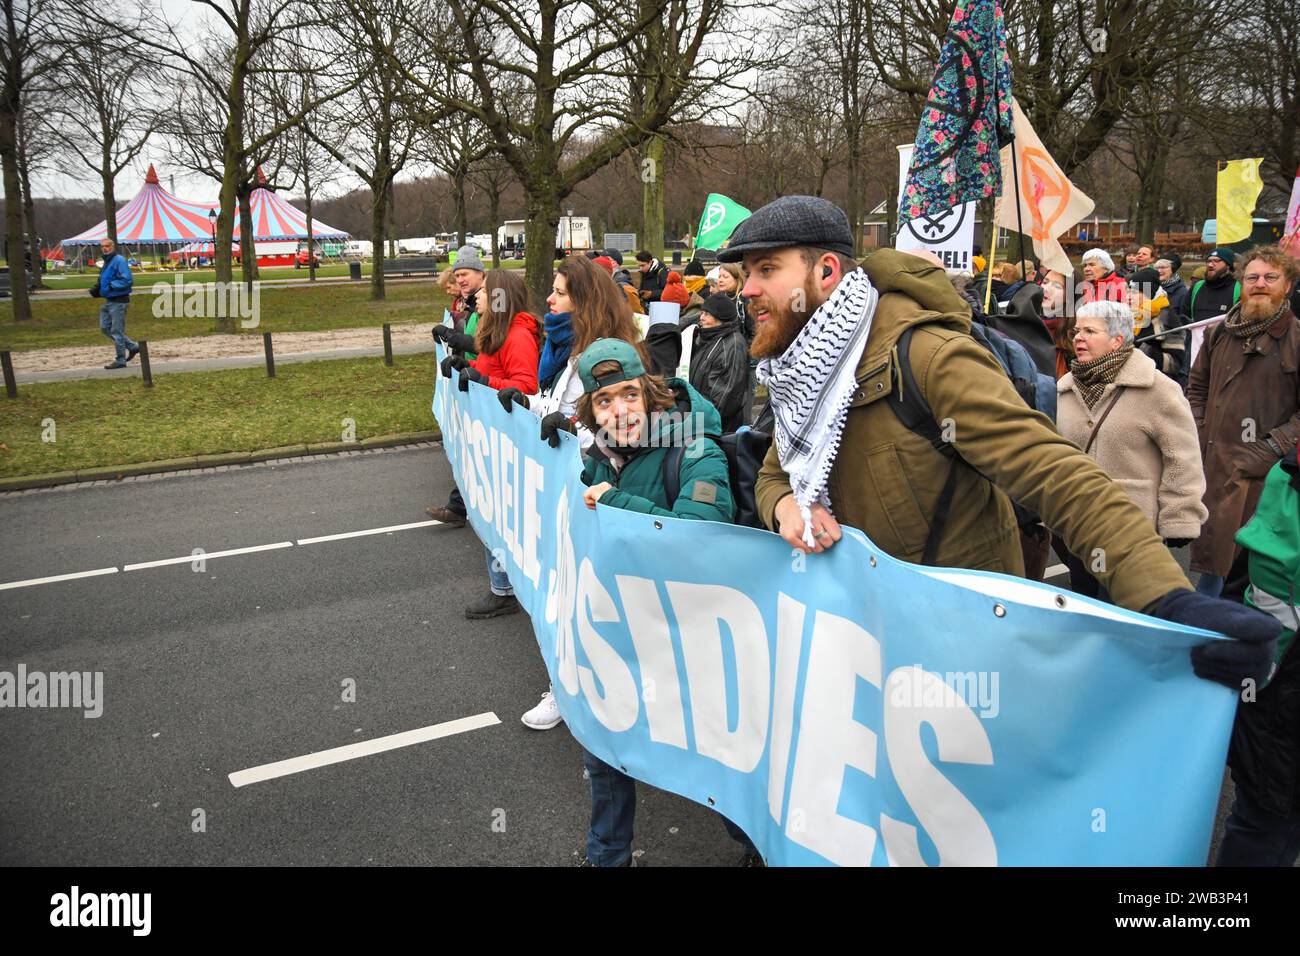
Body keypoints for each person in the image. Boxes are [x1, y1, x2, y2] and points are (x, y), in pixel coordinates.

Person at [721, 195, 1277, 695]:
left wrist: (1165, 599)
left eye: (766, 269)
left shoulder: (929, 356)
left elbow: (1054, 472)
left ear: (825, 270)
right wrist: (789, 505)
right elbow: (778, 470)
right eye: (746, 272)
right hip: (860, 638)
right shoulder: (803, 367)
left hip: (960, 653)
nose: (747, 288)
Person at [554, 338, 759, 867]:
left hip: (691, 645)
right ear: (590, 409)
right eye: (604, 401)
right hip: (625, 635)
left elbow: (703, 534)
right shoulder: (600, 455)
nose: (619, 411)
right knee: (606, 753)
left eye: (628, 395)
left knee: (711, 760)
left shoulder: (696, 448)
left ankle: (758, 845)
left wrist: (616, 502)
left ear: (649, 394)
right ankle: (607, 856)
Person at [495, 255, 647, 732]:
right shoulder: (577, 350)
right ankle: (574, 684)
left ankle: (577, 690)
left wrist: (576, 429)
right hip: (573, 490)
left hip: (597, 492)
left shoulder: (610, 354)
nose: (549, 299)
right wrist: (525, 403)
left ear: (583, 301)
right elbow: (560, 407)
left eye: (559, 292)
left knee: (584, 595)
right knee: (571, 590)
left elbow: (628, 428)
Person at [1056, 300, 1207, 598]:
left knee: (1124, 613)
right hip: (1077, 526)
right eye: (1076, 331)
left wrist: (1180, 518)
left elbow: (1182, 458)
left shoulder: (1159, 389)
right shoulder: (1064, 388)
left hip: (1133, 529)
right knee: (1085, 610)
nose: (1078, 338)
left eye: (1089, 331)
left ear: (1117, 340)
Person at [1188, 245, 1300, 598]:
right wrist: (1201, 425)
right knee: (1213, 564)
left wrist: (1270, 448)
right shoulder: (1220, 332)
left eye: (1271, 277)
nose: (1260, 284)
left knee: (1249, 571)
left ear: (1288, 285)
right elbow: (1197, 385)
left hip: (1267, 476)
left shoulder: (1296, 339)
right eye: (1252, 277)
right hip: (1213, 464)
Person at [438, 268, 542, 619]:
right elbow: (492, 370)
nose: (477, 296)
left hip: (507, 441)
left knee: (499, 517)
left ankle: (505, 590)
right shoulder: (497, 333)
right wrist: (464, 367)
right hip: (493, 437)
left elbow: (526, 388)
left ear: (498, 297)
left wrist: (484, 380)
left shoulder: (517, 336)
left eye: (484, 292)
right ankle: (503, 586)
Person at [1217, 448, 1300, 866]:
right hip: (1274, 718)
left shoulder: (1286, 474)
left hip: (1271, 710)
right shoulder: (1286, 476)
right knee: (1261, 826)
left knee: (1259, 827)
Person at [427, 246, 489, 527]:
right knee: (471, 449)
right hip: (475, 381)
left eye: (464, 274)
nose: (460, 280)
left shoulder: (491, 301)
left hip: (486, 387)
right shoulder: (472, 302)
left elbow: (490, 345)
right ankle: (460, 506)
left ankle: (463, 507)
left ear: (480, 272)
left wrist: (456, 338)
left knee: (477, 451)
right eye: (457, 275)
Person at [687, 292, 751, 432]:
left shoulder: (732, 346)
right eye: (702, 313)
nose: (701, 318)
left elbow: (723, 399)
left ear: (721, 318)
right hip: (700, 421)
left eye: (707, 314)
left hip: (716, 428)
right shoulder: (709, 338)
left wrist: (698, 424)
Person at [1128, 266, 1188, 387]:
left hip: (1157, 386)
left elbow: (1174, 364)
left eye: (1134, 292)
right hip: (1132, 381)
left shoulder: (1167, 318)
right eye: (1127, 291)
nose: (1128, 296)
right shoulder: (1132, 315)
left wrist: (1141, 347)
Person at [1188, 248, 1241, 367]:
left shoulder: (1238, 288)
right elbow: (1185, 313)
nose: (1211, 264)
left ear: (1228, 265)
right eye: (1209, 261)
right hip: (1196, 354)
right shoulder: (1197, 287)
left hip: (1226, 353)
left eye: (1217, 261)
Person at [90, 238, 137, 369]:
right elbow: (106, 279)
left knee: (117, 331)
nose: (105, 248)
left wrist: (111, 286)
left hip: (119, 301)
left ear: (112, 246)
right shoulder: (107, 262)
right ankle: (133, 346)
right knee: (105, 328)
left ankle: (120, 359)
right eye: (102, 246)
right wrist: (98, 289)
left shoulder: (119, 260)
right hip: (109, 301)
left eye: (107, 246)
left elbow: (127, 280)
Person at [1155, 253, 1190, 319]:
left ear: (1173, 269)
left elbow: (1184, 320)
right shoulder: (1151, 287)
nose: (1159, 271)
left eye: (1163, 267)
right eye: (1157, 268)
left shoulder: (1183, 293)